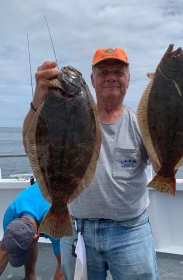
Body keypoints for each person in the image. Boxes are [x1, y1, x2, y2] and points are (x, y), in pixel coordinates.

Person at [22, 47, 159, 280]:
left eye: (119, 71)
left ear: (128, 78)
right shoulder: (61, 107)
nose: (111, 77)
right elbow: (30, 143)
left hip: (130, 232)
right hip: (77, 231)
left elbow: (162, 167)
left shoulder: (141, 123)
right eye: (103, 71)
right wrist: (37, 101)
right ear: (92, 79)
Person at [0, 182, 64, 280]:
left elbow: (63, 265)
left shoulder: (55, 224)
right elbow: (4, 249)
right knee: (23, 240)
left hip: (60, 197)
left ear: (36, 237)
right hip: (41, 199)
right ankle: (29, 276)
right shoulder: (10, 217)